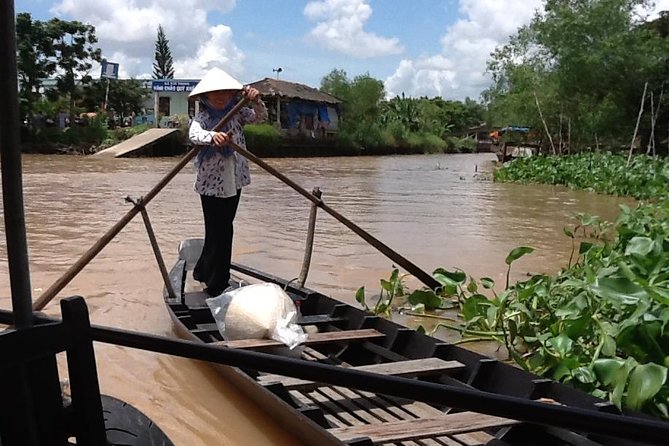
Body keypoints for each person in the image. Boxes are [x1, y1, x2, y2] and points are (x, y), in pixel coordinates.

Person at [188, 67, 268, 296]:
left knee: (223, 229)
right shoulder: (203, 116)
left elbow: (260, 117)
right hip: (211, 184)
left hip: (234, 180)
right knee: (220, 231)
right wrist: (213, 136)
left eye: (225, 92)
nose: (221, 97)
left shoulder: (237, 112)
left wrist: (255, 100)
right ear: (206, 96)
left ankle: (204, 271)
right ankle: (218, 283)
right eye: (215, 93)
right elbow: (193, 134)